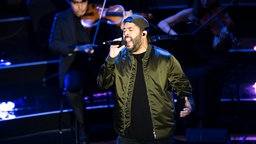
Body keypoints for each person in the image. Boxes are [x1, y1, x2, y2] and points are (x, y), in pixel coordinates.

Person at [97, 14, 194, 144]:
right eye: (124, 30)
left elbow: (182, 84)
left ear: (144, 34)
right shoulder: (118, 58)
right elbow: (103, 84)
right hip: (127, 135)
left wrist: (188, 102)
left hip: (159, 134)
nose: (126, 33)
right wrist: (110, 59)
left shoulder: (164, 58)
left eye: (131, 30)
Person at [48, 0, 120, 143]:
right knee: (72, 87)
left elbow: (114, 38)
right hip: (75, 66)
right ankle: (82, 125)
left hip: (100, 65)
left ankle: (122, 122)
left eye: (83, 2)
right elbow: (53, 45)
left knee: (124, 81)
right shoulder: (61, 18)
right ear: (69, 2)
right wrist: (77, 48)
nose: (80, 7)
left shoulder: (100, 15)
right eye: (76, 3)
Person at [157, 0, 236, 128]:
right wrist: (176, 35)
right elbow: (162, 23)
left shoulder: (222, 16)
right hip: (193, 60)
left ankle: (206, 121)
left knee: (206, 76)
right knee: (186, 77)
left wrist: (221, 41)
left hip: (212, 59)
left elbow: (215, 47)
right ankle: (190, 122)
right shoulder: (190, 13)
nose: (205, 1)